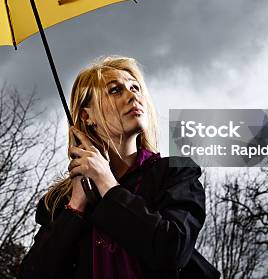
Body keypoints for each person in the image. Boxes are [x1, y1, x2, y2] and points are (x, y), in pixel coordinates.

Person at [19, 56, 220, 279]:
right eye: (115, 90)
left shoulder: (175, 172)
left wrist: (107, 184)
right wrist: (75, 207)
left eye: (136, 88)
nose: (133, 95)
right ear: (87, 116)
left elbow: (171, 250)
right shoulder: (60, 201)